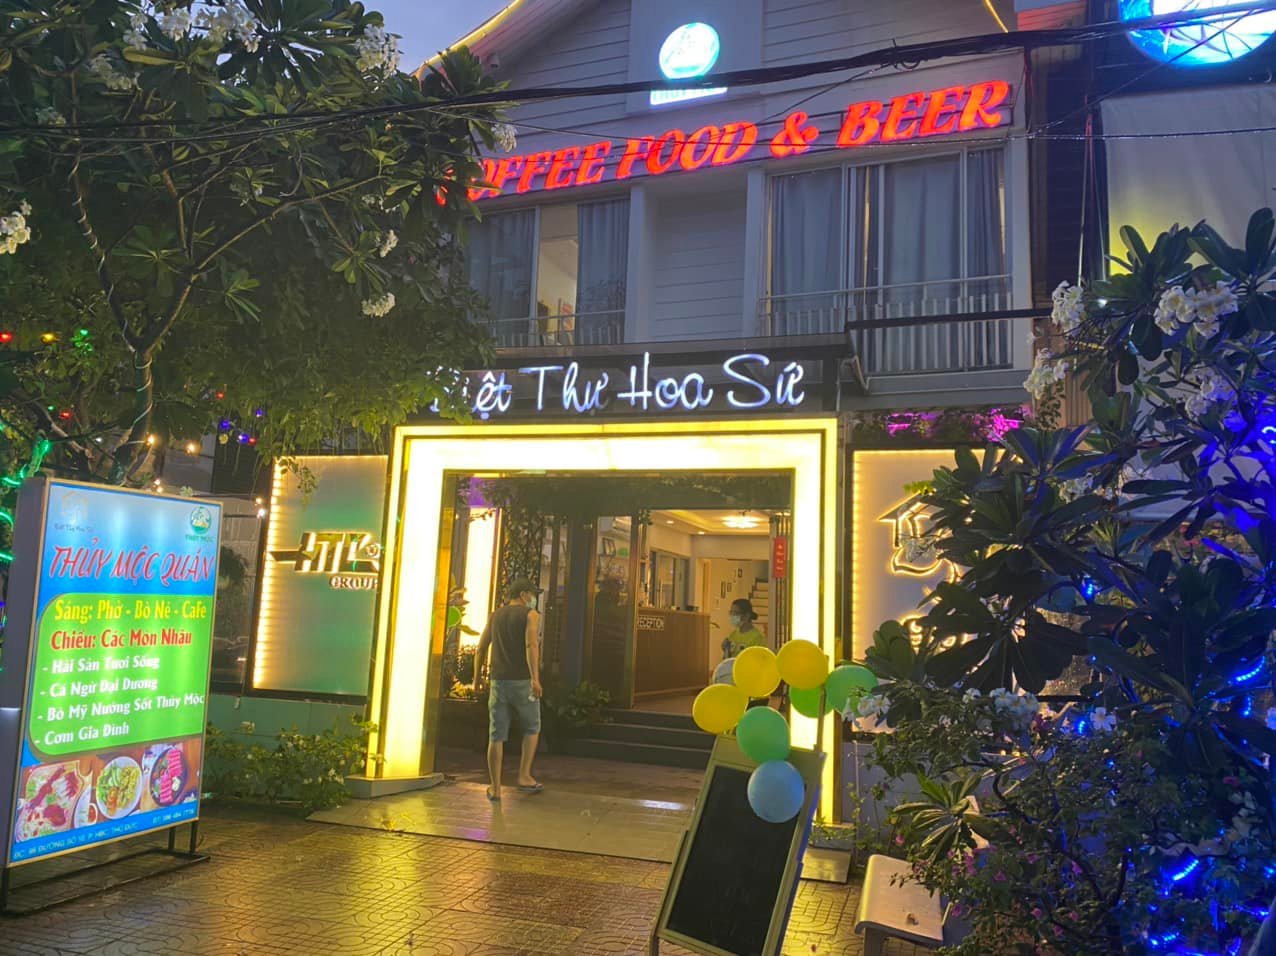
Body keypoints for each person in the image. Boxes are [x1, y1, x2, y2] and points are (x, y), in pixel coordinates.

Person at [474, 577, 544, 802]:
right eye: (532, 594)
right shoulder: (530, 615)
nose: (533, 599)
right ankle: (524, 776)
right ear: (523, 595)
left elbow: (481, 648)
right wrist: (535, 679)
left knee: (496, 735)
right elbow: (531, 645)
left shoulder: (495, 616)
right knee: (532, 727)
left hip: (498, 682)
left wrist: (476, 679)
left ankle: (495, 787)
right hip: (523, 681)